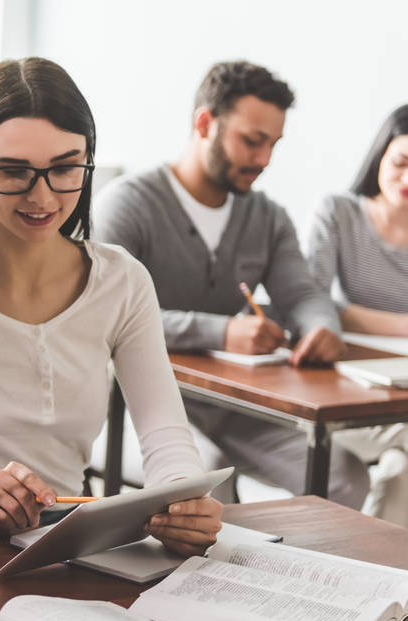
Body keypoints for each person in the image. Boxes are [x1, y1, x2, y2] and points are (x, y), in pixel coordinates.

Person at [0, 57, 221, 555]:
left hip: (71, 550)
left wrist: (185, 501)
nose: (41, 196)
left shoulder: (121, 281)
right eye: (14, 171)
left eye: (64, 168)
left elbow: (166, 439)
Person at [94, 60, 369, 507]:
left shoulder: (268, 217)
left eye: (273, 144)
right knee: (205, 479)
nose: (264, 160)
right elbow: (106, 315)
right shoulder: (127, 205)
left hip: (230, 406)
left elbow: (303, 294)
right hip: (128, 405)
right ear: (205, 123)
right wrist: (220, 332)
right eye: (252, 141)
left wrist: (322, 327)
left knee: (345, 477)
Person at [307, 104, 408, 526]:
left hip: (402, 389)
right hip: (350, 388)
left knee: (401, 472)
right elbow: (311, 299)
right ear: (380, 155)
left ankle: (377, 563)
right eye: (401, 163)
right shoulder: (340, 212)